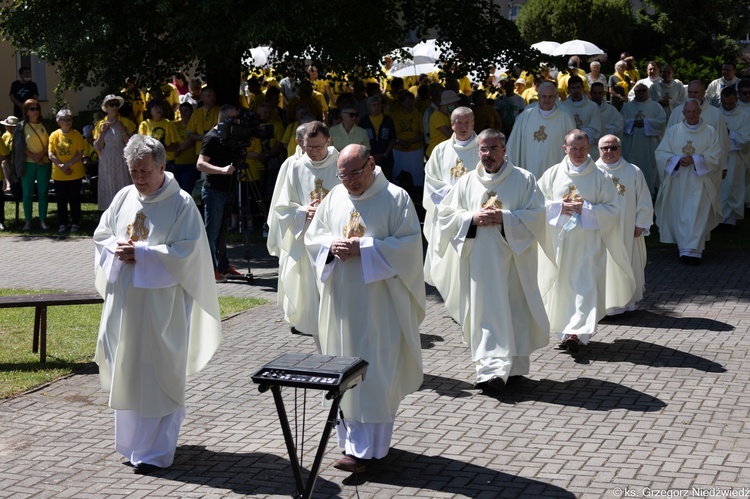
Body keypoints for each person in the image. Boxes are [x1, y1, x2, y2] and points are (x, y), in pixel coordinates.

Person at [93, 134, 221, 475]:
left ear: (162, 166)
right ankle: (133, 444)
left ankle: (155, 452)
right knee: (129, 372)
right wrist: (117, 248)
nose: (138, 178)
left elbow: (190, 253)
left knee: (158, 376)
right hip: (126, 306)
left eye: (144, 171)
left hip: (162, 310)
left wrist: (144, 254)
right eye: (133, 171)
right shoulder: (123, 197)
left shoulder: (181, 204)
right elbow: (101, 234)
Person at [304, 144, 424, 474]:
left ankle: (374, 447)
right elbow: (313, 239)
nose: (350, 181)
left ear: (372, 163)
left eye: (355, 173)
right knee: (345, 368)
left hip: (380, 303)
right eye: (343, 175)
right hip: (342, 302)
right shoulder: (334, 198)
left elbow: (411, 246)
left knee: (377, 370)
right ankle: (350, 446)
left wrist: (365, 248)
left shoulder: (396, 199)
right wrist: (331, 246)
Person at [436, 128, 549, 391]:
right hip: (480, 264)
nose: (487, 155)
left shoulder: (524, 179)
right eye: (483, 149)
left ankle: (516, 367)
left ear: (504, 149)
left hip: (514, 263)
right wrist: (471, 219)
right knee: (485, 313)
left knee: (515, 311)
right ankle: (489, 370)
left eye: (493, 148)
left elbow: (537, 215)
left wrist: (504, 218)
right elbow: (446, 216)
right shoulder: (466, 182)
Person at [537, 129, 634, 353]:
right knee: (562, 287)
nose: (578, 153)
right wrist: (560, 208)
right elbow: (537, 204)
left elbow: (612, 209)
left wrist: (586, 209)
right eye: (574, 148)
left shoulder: (600, 177)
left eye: (583, 148)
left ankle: (577, 333)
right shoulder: (552, 174)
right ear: (565, 149)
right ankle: (565, 331)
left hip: (589, 245)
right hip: (560, 245)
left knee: (585, 286)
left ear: (589, 148)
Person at [267, 121, 340, 337]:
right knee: (308, 284)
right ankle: (313, 325)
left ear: (329, 141)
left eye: (318, 146)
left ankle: (336, 324)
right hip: (306, 234)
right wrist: (301, 212)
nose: (313, 152)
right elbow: (282, 206)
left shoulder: (341, 162)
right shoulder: (296, 166)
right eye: (308, 147)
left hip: (334, 236)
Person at [422, 106, 479, 324]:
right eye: (458, 122)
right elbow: (431, 182)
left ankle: (470, 303)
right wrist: (454, 195)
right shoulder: (440, 150)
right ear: (451, 124)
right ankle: (453, 302)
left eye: (467, 122)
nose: (462, 127)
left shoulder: (483, 148)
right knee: (448, 265)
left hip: (471, 217)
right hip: (447, 217)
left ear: (473, 123)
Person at [655, 99, 722, 265]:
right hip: (678, 181)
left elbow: (715, 155)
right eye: (688, 112)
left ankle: (694, 251)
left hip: (700, 181)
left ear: (700, 112)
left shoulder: (710, 132)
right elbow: (661, 153)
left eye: (694, 111)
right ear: (683, 113)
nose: (691, 115)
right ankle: (684, 248)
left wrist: (695, 159)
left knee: (697, 214)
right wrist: (677, 159)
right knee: (681, 213)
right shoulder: (673, 131)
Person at [595, 135, 654, 315]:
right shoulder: (592, 172)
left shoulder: (633, 171)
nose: (609, 151)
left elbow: (644, 199)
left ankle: (626, 303)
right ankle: (604, 306)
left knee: (627, 263)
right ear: (599, 150)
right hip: (600, 230)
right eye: (605, 148)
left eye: (613, 148)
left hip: (627, 229)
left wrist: (641, 223)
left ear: (620, 149)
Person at [196, 104, 241, 282]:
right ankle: (209, 269)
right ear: (225, 119)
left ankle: (223, 265)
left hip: (228, 188)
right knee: (212, 232)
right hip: (214, 191)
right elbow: (200, 164)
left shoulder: (230, 136)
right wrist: (222, 170)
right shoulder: (212, 138)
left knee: (223, 232)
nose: (237, 121)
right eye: (234, 118)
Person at [506, 81, 576, 180]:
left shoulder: (565, 118)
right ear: (538, 96)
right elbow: (513, 145)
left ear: (555, 97)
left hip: (555, 172)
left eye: (550, 96)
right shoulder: (525, 116)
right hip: (530, 169)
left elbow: (574, 146)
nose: (547, 100)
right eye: (544, 96)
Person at [621, 83, 667, 195]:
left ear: (648, 92)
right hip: (632, 146)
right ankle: (631, 192)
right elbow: (620, 122)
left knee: (649, 170)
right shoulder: (627, 107)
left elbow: (661, 122)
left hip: (649, 145)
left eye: (643, 90)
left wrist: (645, 123)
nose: (641, 93)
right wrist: (633, 123)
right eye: (638, 91)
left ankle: (650, 193)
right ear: (635, 93)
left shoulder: (656, 106)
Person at [13, 99, 51, 230]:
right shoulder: (21, 126)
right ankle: (28, 221)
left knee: (43, 193)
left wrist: (40, 156)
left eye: (37, 108)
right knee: (27, 193)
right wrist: (35, 157)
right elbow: (19, 146)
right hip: (27, 164)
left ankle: (43, 220)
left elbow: (50, 143)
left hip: (43, 163)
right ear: (26, 112)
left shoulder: (45, 124)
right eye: (32, 109)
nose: (36, 111)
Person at [94, 94, 137, 210]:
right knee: (108, 186)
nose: (114, 107)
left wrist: (121, 129)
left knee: (122, 184)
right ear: (106, 107)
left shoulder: (126, 122)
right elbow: (98, 146)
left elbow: (131, 143)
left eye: (116, 104)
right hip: (106, 160)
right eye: (111, 104)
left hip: (121, 158)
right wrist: (102, 132)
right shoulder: (100, 124)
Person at [717, 87, 750, 229]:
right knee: (719, 187)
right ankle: (718, 218)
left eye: (730, 103)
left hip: (735, 157)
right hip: (718, 156)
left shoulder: (744, 116)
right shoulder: (716, 114)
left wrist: (729, 132)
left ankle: (730, 219)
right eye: (724, 103)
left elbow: (745, 139)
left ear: (736, 100)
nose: (727, 106)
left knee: (732, 186)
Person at [48, 109, 85, 233]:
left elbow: (80, 154)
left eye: (70, 119)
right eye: (65, 119)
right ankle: (62, 224)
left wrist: (68, 164)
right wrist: (61, 166)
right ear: (59, 121)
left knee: (75, 199)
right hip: (59, 174)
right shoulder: (54, 135)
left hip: (75, 173)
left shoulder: (77, 134)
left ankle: (75, 223)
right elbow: (51, 154)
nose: (69, 121)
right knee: (61, 200)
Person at [559, 75, 603, 159]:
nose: (576, 90)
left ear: (583, 88)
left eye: (578, 87)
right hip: (570, 149)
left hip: (588, 150)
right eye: (573, 88)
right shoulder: (562, 107)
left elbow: (597, 130)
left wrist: (578, 132)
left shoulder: (592, 106)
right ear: (569, 89)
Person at [389, 90, 425, 187]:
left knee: (416, 174)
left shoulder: (418, 115)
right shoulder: (394, 116)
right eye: (408, 101)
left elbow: (423, 134)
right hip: (398, 150)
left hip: (416, 150)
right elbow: (390, 134)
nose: (411, 103)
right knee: (398, 175)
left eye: (412, 100)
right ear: (402, 102)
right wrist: (400, 142)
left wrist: (410, 142)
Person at [358, 96, 396, 179]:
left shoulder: (388, 120)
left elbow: (393, 139)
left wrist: (385, 154)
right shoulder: (363, 121)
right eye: (374, 105)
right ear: (368, 107)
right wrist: (370, 155)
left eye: (378, 105)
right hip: (369, 158)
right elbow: (361, 142)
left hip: (386, 158)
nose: (377, 107)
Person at [171, 102, 199, 193]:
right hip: (175, 163)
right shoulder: (174, 125)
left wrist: (179, 149)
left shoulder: (195, 125)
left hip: (190, 163)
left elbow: (192, 139)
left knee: (189, 191)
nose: (183, 113)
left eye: (186, 111)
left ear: (191, 112)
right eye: (181, 111)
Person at [427, 89, 460, 157]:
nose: (456, 105)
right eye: (454, 103)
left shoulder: (449, 114)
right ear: (449, 103)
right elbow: (448, 133)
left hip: (444, 151)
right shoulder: (437, 116)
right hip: (435, 152)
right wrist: (456, 119)